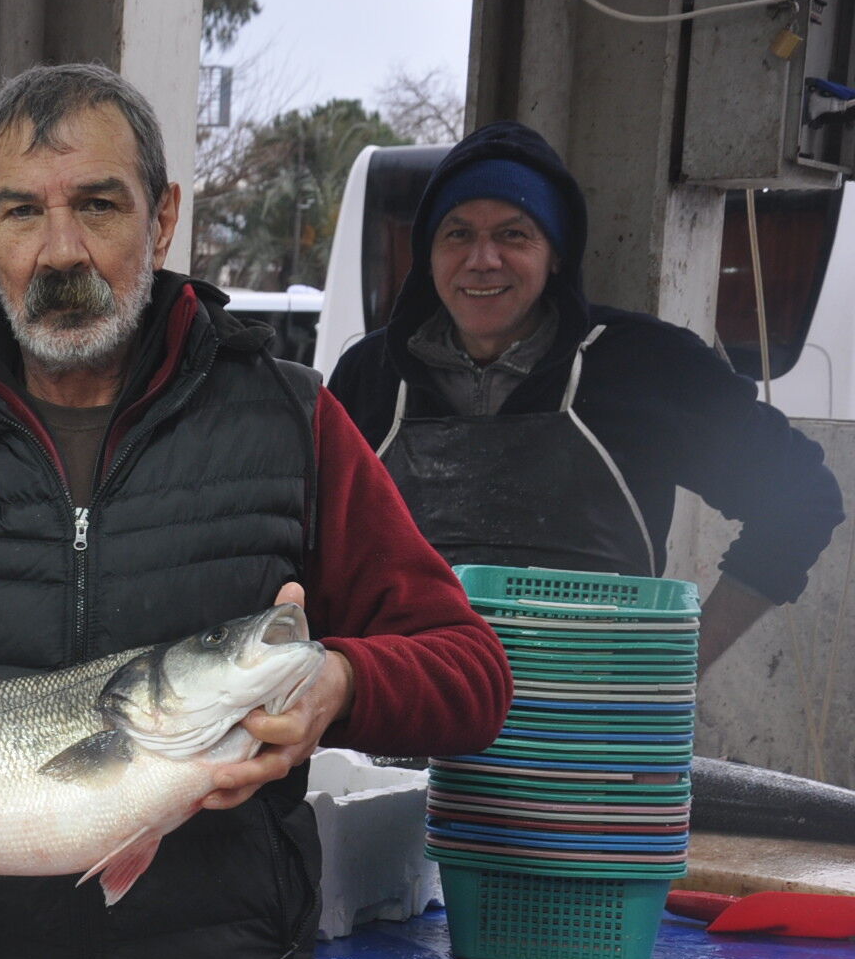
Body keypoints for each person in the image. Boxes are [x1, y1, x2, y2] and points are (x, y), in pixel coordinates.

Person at [0, 63, 512, 959]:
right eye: (20, 213)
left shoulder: (285, 418)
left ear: (162, 217)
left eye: (97, 205)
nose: (60, 250)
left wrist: (338, 680)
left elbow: (473, 675)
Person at [328, 121, 844, 671]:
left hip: (594, 733)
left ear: (556, 254)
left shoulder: (645, 366)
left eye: (513, 234)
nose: (482, 259)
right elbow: (309, 541)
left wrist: (680, 668)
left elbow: (800, 498)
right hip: (401, 731)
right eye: (456, 234)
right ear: (428, 256)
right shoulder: (370, 375)